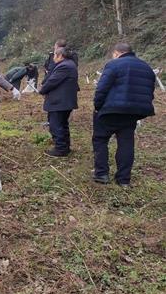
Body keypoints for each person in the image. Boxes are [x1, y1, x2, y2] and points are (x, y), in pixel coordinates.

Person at [92, 42, 155, 186]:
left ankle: (101, 173)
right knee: (126, 143)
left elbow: (101, 89)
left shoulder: (113, 65)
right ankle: (123, 179)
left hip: (111, 110)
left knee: (100, 139)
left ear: (117, 53)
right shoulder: (146, 67)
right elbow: (149, 92)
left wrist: (97, 106)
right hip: (133, 112)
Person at [38, 47, 79, 156]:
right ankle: (65, 147)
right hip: (64, 101)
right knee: (62, 124)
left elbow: (52, 81)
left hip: (60, 102)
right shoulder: (69, 64)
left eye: (55, 55)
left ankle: (60, 148)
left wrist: (42, 90)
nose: (53, 58)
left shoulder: (64, 66)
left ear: (60, 55)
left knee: (55, 125)